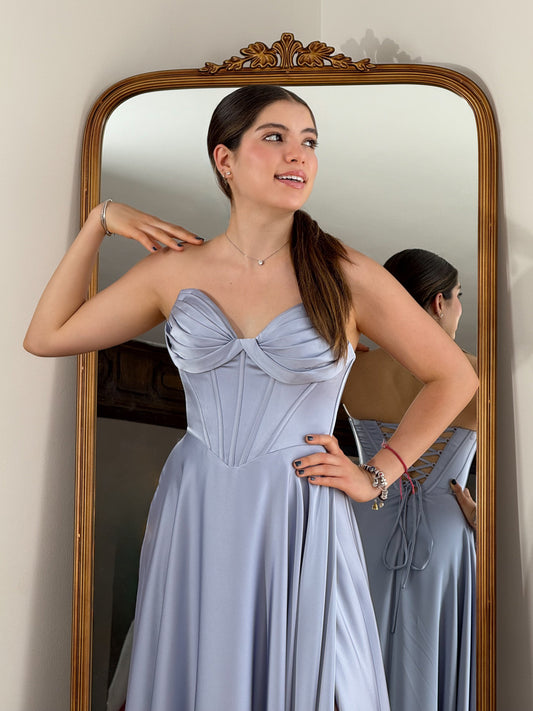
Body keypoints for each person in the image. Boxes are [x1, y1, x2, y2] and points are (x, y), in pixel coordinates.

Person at [24, 86, 478, 711]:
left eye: (309, 141)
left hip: (298, 508)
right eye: (275, 137)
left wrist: (376, 474)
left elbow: (454, 377)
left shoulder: (345, 275)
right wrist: (99, 222)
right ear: (225, 159)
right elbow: (46, 336)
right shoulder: (173, 273)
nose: (298, 154)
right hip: (198, 503)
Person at [342, 248, 478, 711]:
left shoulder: (353, 370)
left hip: (367, 521)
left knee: (362, 651)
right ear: (440, 302)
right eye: (459, 296)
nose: (460, 308)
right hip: (446, 533)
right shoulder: (479, 374)